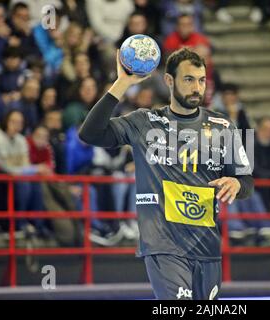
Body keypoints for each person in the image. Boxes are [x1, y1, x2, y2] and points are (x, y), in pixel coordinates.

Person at [79, 48, 254, 300]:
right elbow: (90, 133)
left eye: (202, 80)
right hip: (163, 243)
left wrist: (236, 183)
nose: (197, 87)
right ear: (169, 81)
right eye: (189, 79)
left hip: (207, 246)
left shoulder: (224, 126)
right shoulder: (144, 121)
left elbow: (247, 182)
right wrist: (122, 84)